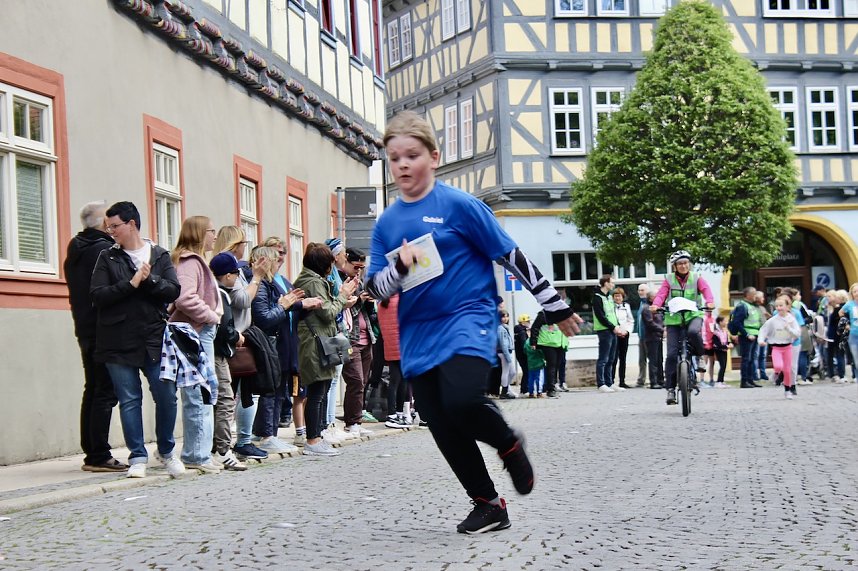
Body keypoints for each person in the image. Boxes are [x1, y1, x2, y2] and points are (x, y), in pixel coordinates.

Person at [365, 110, 582, 535]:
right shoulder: (388, 222)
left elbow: (510, 255)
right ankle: (488, 504)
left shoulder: (460, 206)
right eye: (395, 158)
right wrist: (400, 270)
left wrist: (554, 306)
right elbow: (376, 289)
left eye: (412, 155)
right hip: (418, 331)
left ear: (434, 157)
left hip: (469, 317)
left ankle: (508, 443)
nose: (403, 165)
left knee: (462, 400)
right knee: (440, 421)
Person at [90, 201, 184, 479]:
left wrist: (149, 280)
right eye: (108, 228)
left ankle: (166, 451)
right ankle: (138, 456)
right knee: (129, 399)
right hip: (117, 340)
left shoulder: (159, 254)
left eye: (115, 226)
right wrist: (130, 284)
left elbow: (173, 291)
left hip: (154, 338)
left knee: (166, 395)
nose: (111, 232)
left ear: (131, 224)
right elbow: (97, 296)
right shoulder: (107, 257)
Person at [65, 201, 126, 473]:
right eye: (110, 221)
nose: (113, 225)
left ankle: (92, 450)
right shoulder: (103, 251)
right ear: (103, 224)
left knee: (93, 389)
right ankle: (98, 454)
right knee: (104, 390)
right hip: (103, 329)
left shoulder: (76, 249)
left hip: (84, 327)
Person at [169, 216, 223, 474]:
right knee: (199, 395)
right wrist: (211, 315)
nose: (214, 235)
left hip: (199, 331)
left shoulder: (195, 261)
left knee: (204, 393)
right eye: (212, 230)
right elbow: (184, 298)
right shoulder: (190, 262)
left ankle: (199, 452)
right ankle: (197, 454)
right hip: (195, 332)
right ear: (200, 233)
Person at [294, 243, 358, 456]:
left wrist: (341, 300)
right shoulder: (312, 282)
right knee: (316, 393)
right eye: (330, 263)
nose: (332, 267)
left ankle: (317, 437)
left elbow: (329, 308)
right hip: (314, 343)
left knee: (320, 391)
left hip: (320, 340)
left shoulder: (315, 280)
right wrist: (342, 296)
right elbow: (327, 312)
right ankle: (312, 441)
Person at [650, 250, 715, 405]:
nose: (683, 266)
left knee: (693, 332)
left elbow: (707, 291)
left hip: (693, 316)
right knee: (672, 355)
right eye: (680, 263)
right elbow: (661, 295)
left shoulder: (697, 278)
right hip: (674, 320)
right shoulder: (669, 279)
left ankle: (699, 357)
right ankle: (671, 390)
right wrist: (656, 305)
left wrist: (710, 302)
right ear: (675, 266)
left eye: (686, 263)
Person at [208, 253, 248, 470]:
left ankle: (215, 447)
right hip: (217, 353)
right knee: (224, 399)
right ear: (227, 275)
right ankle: (223, 449)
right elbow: (223, 327)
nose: (236, 277)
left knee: (215, 400)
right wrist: (236, 336)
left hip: (212, 351)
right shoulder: (220, 293)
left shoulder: (213, 290)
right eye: (235, 273)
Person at [341, 247, 378, 436]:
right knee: (355, 380)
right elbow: (343, 311)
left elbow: (370, 315)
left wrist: (370, 302)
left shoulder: (360, 282)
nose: (359, 271)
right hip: (351, 338)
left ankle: (356, 419)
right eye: (356, 267)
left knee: (363, 382)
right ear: (346, 262)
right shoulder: (342, 282)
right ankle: (351, 422)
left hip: (367, 337)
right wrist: (358, 301)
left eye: (362, 268)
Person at [758, 295, 801, 399]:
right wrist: (761, 340)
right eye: (777, 306)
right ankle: (776, 374)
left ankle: (787, 390)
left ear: (787, 306)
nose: (778, 308)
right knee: (778, 366)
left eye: (781, 305)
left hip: (788, 347)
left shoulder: (791, 319)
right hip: (776, 347)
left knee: (787, 370)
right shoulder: (773, 320)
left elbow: (797, 333)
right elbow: (763, 330)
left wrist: (789, 329)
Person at [728, 286, 763, 388]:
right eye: (754, 293)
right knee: (746, 359)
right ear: (748, 295)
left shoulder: (752, 306)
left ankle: (750, 379)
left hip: (754, 334)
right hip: (747, 336)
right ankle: (744, 381)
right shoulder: (742, 306)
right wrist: (746, 334)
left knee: (752, 359)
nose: (756, 295)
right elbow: (737, 322)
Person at [593, 274, 621, 393]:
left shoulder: (609, 297)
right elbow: (601, 316)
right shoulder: (597, 297)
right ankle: (601, 383)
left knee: (612, 358)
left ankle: (609, 382)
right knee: (603, 358)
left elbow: (613, 313)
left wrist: (617, 325)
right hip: (604, 330)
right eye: (612, 282)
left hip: (613, 329)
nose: (613, 285)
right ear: (606, 283)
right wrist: (613, 326)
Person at [528, 310, 565, 397]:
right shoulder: (543, 314)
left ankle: (553, 386)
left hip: (559, 343)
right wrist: (533, 342)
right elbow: (535, 327)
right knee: (551, 366)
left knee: (556, 366)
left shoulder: (562, 312)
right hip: (547, 343)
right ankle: (550, 389)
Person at [610, 287, 635, 389]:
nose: (617, 298)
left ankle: (622, 381)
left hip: (624, 335)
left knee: (623, 358)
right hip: (615, 334)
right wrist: (616, 330)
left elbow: (630, 320)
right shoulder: (611, 307)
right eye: (615, 296)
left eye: (619, 296)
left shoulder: (626, 306)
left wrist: (627, 331)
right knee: (613, 358)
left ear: (622, 297)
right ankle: (611, 380)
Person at [641, 290, 665, 389]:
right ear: (651, 298)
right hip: (651, 337)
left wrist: (664, 328)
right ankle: (653, 381)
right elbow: (650, 323)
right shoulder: (647, 309)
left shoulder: (657, 308)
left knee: (660, 360)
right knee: (653, 360)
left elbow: (661, 320)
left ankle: (661, 380)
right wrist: (662, 329)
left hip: (658, 336)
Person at [839, 283, 858, 382]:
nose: (857, 293)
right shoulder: (850, 304)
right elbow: (841, 312)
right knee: (855, 356)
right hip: (854, 333)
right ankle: (856, 376)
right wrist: (846, 323)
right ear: (852, 294)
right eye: (854, 291)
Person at [497, 310, 517, 399]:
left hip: (507, 352)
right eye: (503, 316)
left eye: (507, 316)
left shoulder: (505, 327)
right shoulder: (501, 328)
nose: (505, 318)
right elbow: (503, 344)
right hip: (504, 352)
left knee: (512, 372)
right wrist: (507, 356)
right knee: (506, 372)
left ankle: (506, 388)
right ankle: (504, 392)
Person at [753, 290, 772, 382]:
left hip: (764, 334)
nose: (763, 299)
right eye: (762, 297)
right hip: (757, 333)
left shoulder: (762, 308)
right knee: (756, 355)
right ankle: (755, 374)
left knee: (763, 355)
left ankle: (763, 373)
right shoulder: (754, 308)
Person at [635, 283, 650, 388]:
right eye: (639, 290)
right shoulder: (641, 303)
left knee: (652, 359)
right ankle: (641, 379)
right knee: (641, 360)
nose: (640, 292)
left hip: (649, 335)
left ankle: (655, 378)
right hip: (641, 336)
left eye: (643, 290)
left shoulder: (649, 303)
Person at [711, 315, 732, 388]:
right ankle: (718, 381)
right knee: (722, 365)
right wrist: (726, 346)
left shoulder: (725, 331)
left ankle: (722, 381)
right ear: (720, 322)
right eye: (724, 321)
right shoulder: (716, 332)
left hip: (725, 350)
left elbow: (727, 341)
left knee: (724, 366)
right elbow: (716, 344)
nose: (726, 323)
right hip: (719, 350)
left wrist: (730, 344)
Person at [513, 314, 531, 390]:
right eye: (527, 321)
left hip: (519, 355)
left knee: (526, 371)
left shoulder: (518, 331)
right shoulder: (522, 332)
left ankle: (524, 389)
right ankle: (524, 389)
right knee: (527, 372)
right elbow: (524, 344)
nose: (529, 322)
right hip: (523, 355)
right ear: (523, 322)